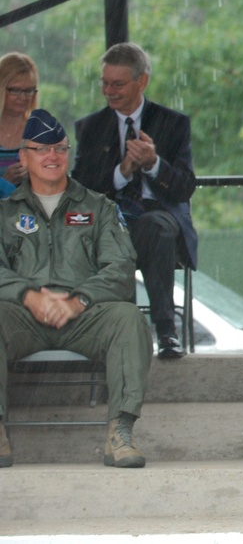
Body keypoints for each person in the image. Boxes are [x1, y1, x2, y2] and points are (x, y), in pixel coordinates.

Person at [0, 110, 150, 469]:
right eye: (41, 149)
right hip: (22, 315)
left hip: (85, 316)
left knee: (129, 318)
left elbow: (121, 268)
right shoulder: (5, 213)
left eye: (60, 149)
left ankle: (121, 433)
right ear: (23, 156)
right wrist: (28, 295)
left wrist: (78, 299)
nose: (52, 157)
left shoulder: (98, 207)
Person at [72, 44, 197, 360]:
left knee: (153, 229)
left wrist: (154, 163)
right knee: (106, 235)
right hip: (109, 219)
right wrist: (122, 171)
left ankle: (165, 331)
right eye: (104, 83)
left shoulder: (173, 123)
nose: (108, 91)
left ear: (142, 82)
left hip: (158, 216)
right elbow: (81, 189)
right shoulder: (90, 128)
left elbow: (184, 188)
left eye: (118, 84)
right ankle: (114, 333)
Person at [0, 53, 39, 198]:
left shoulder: (42, 132)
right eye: (16, 90)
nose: (23, 97)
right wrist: (5, 183)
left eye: (29, 90)